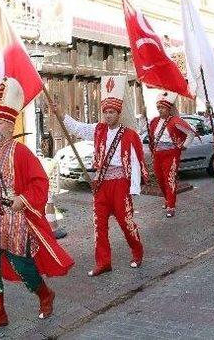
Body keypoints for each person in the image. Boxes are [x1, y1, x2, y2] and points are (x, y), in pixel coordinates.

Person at [0, 77, 74, 334]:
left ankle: (45, 294)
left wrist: (22, 200)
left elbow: (40, 182)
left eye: (0, 122)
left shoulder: (21, 152)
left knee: (22, 265)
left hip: (15, 219)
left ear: (11, 125)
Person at [57, 75, 147, 277]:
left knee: (126, 223)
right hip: (101, 184)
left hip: (121, 184)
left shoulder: (129, 134)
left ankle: (137, 251)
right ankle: (103, 262)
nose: (107, 115)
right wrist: (61, 114)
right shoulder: (97, 130)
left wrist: (133, 189)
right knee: (99, 225)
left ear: (118, 113)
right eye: (105, 112)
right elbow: (77, 127)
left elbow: (134, 161)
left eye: (111, 112)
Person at [148, 91, 196, 218]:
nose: (160, 110)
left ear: (169, 109)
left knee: (170, 179)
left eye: (162, 108)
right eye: (158, 107)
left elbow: (191, 133)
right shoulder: (154, 121)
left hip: (171, 153)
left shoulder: (175, 120)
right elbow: (149, 135)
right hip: (157, 153)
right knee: (160, 179)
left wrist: (184, 145)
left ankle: (171, 206)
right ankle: (167, 199)